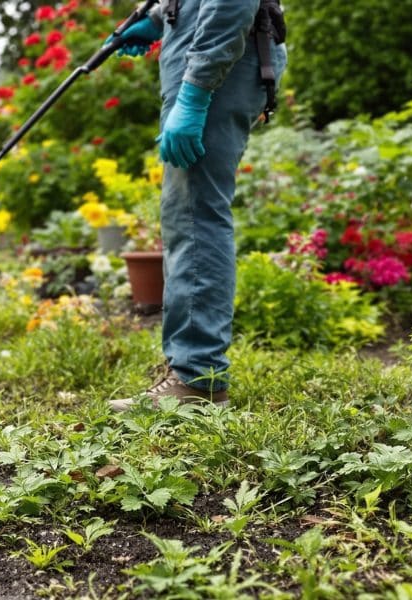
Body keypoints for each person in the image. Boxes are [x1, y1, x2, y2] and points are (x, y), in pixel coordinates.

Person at [107, 0, 287, 410]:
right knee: (186, 213)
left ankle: (197, 379)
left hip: (218, 69)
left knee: (196, 216)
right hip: (209, 60)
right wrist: (155, 19)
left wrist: (195, 93)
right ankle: (191, 371)